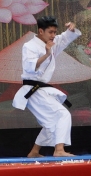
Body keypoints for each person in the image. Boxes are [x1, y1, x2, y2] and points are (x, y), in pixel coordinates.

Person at [12, 16, 80, 158]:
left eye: (55, 32)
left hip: (41, 89)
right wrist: (47, 53)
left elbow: (64, 39)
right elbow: (30, 67)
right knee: (62, 114)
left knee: (51, 121)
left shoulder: (52, 43)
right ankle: (59, 150)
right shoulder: (29, 46)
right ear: (41, 31)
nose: (53, 35)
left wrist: (71, 30)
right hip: (33, 90)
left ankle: (34, 152)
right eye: (50, 32)